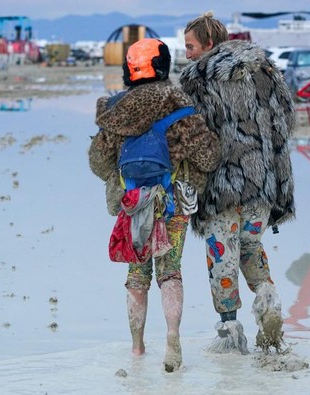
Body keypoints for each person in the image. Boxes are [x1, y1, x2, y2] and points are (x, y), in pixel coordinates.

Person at [89, 38, 220, 371]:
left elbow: (99, 162)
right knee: (170, 271)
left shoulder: (115, 109)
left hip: (132, 204)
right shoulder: (178, 104)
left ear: (129, 69)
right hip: (172, 201)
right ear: (162, 66)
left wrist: (123, 181)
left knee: (137, 275)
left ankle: (136, 348)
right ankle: (173, 337)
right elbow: (208, 155)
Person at [179, 12, 296, 353]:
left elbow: (194, 138)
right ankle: (269, 302)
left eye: (190, 46)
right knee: (251, 248)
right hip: (263, 184)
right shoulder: (265, 70)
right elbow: (285, 120)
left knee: (222, 257)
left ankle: (230, 331)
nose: (186, 54)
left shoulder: (199, 79)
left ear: (209, 44)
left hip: (222, 188)